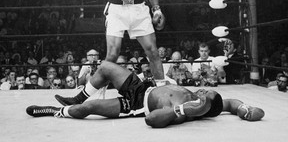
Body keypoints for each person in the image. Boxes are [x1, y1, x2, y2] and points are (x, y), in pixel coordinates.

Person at [53, 0, 165, 105]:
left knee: (153, 52)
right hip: (116, 10)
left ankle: (162, 92)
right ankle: (83, 97)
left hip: (140, 9)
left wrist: (156, 9)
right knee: (111, 55)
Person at [26, 61, 264, 128]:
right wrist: (246, 110)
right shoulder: (204, 99)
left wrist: (182, 110)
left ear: (204, 106)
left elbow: (151, 120)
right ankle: (76, 97)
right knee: (107, 67)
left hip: (135, 104)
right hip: (141, 86)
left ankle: (58, 111)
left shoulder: (184, 112)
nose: (201, 89)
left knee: (87, 110)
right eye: (205, 88)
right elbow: (231, 103)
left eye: (205, 93)